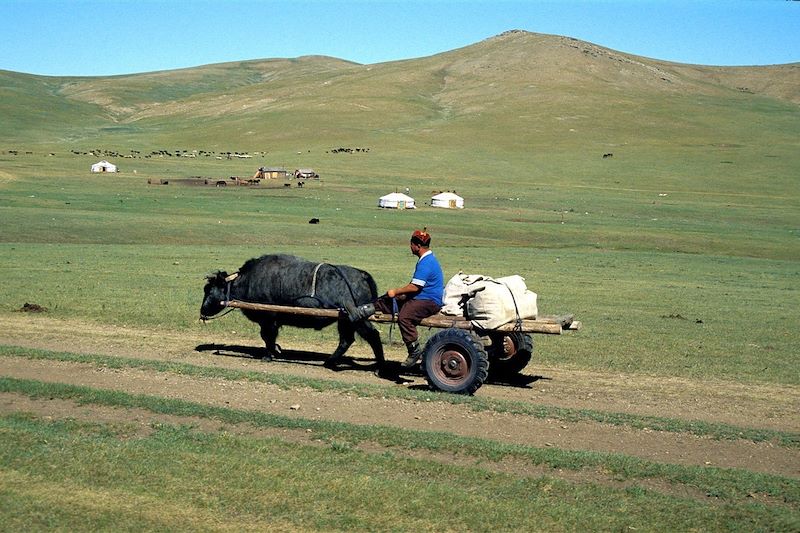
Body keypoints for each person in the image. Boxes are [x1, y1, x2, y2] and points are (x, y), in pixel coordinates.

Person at [350, 228, 444, 368]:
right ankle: (362, 311)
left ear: (417, 246)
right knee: (388, 299)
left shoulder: (426, 262)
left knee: (405, 316)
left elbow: (415, 287)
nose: (410, 246)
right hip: (420, 297)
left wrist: (396, 291)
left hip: (429, 301)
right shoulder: (427, 259)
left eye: (411, 244)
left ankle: (414, 350)